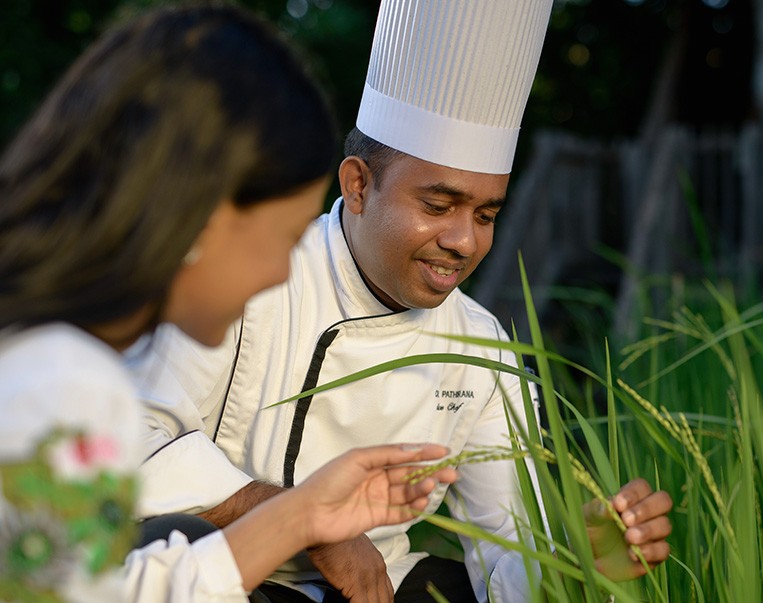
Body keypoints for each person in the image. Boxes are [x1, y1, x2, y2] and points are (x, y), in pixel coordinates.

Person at [131, 1, 673, 601]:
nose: (464, 242)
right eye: (438, 207)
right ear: (358, 185)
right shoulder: (247, 278)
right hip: (235, 578)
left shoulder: (484, 349)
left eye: (486, 214)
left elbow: (507, 554)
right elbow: (132, 446)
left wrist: (579, 557)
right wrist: (310, 523)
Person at [0, 4, 458, 602]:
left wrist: (302, 514)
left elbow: (99, 588)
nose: (279, 273)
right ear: (198, 216)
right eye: (282, 237)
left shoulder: (70, 363)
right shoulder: (53, 377)